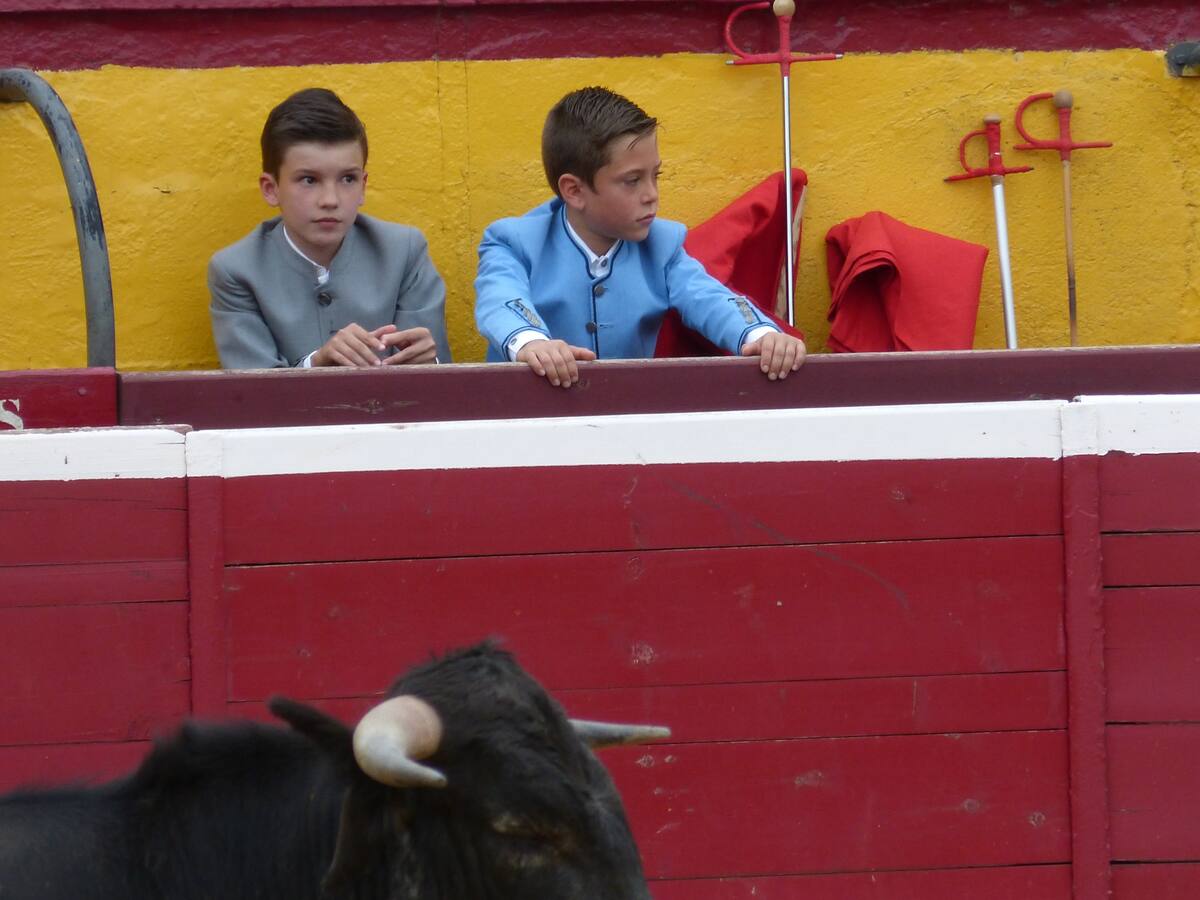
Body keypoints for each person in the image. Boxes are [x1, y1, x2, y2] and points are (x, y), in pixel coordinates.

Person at [474, 86, 806, 388]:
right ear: (574, 190)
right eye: (632, 181)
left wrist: (761, 335)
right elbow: (500, 298)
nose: (652, 195)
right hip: (530, 420)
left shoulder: (662, 246)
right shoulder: (514, 242)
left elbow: (711, 298)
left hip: (627, 415)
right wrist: (531, 342)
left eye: (655, 176)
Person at [208, 88, 451, 369]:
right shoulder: (237, 270)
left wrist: (430, 361)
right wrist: (316, 364)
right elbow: (252, 389)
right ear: (271, 189)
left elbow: (432, 377)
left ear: (363, 186)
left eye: (348, 179)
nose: (330, 200)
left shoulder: (404, 251)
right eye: (309, 180)